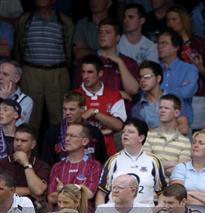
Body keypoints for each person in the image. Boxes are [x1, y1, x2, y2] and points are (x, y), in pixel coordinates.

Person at [15, 0, 72, 133]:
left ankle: (60, 151)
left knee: (60, 116)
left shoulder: (64, 21)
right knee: (29, 117)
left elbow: (69, 47)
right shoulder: (26, 19)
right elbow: (18, 46)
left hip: (57, 72)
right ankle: (28, 152)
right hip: (31, 71)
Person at [97, 119, 167, 207]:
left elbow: (162, 192)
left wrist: (156, 212)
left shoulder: (153, 161)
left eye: (130, 132)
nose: (125, 134)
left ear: (141, 137)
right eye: (124, 132)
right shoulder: (113, 160)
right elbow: (101, 193)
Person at [165, 6, 205, 130]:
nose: (170, 23)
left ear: (184, 20)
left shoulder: (199, 43)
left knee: (195, 137)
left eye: (174, 19)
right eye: (168, 20)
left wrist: (199, 67)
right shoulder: (164, 45)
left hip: (196, 97)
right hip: (170, 97)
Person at [74, 18, 140, 99]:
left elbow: (133, 91)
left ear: (117, 38)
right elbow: (80, 92)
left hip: (120, 110)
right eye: (100, 32)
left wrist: (120, 62)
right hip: (93, 109)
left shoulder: (129, 62)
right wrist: (117, 93)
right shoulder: (85, 62)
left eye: (107, 32)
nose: (102, 35)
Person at [75, 55, 127, 157]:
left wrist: (94, 112)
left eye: (90, 72)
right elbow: (70, 126)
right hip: (82, 152)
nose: (85, 76)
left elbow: (118, 125)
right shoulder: (75, 95)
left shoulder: (114, 95)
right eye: (83, 72)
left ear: (100, 73)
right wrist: (104, 131)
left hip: (109, 151)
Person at [41, 91, 107, 166]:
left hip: (91, 175)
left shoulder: (94, 132)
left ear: (82, 109)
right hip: (60, 176)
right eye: (65, 109)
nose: (67, 113)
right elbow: (46, 163)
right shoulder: (53, 132)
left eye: (72, 109)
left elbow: (102, 160)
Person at [47, 123, 101, 207]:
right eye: (66, 135)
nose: (67, 139)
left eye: (72, 136)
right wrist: (79, 189)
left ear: (85, 141)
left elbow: (89, 194)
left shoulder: (94, 165)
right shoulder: (57, 166)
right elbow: (51, 197)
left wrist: (62, 189)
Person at [170, 129, 205, 212]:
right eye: (194, 142)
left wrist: (190, 193)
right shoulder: (181, 168)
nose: (196, 145)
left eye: (201, 143)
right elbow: (177, 196)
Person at [0, 124, 49, 208]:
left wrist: (26, 164)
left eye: (23, 141)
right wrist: (30, 191)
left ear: (33, 144)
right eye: (16, 140)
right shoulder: (3, 163)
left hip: (33, 210)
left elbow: (38, 190)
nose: (18, 144)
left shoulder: (41, 166)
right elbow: (2, 192)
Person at [143, 94, 191, 177]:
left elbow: (182, 170)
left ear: (176, 113)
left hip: (173, 187)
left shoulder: (185, 142)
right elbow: (146, 165)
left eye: (166, 108)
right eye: (160, 107)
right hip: (151, 186)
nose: (162, 110)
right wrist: (173, 163)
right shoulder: (148, 136)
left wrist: (157, 165)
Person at [157, 29, 198, 126]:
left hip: (182, 125)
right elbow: (146, 95)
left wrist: (161, 93)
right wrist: (179, 88)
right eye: (158, 43)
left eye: (164, 43)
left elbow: (186, 93)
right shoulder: (154, 68)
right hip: (157, 124)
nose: (159, 46)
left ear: (176, 47)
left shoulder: (189, 69)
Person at [0, 60, 32, 125]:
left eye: (5, 74)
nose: (0, 77)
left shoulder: (26, 100)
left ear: (16, 78)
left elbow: (15, 126)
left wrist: (4, 101)